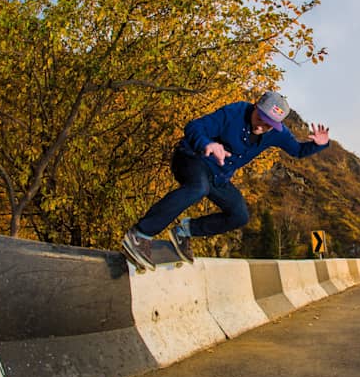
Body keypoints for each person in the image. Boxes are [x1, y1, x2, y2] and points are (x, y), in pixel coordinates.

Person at [121, 90, 329, 269]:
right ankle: (140, 234)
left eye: (268, 126)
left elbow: (298, 151)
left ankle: (184, 231)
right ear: (256, 105)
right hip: (192, 158)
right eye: (260, 119)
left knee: (239, 215)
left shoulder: (278, 132)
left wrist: (319, 144)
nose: (261, 128)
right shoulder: (235, 112)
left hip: (218, 176)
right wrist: (207, 144)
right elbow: (194, 127)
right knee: (198, 187)